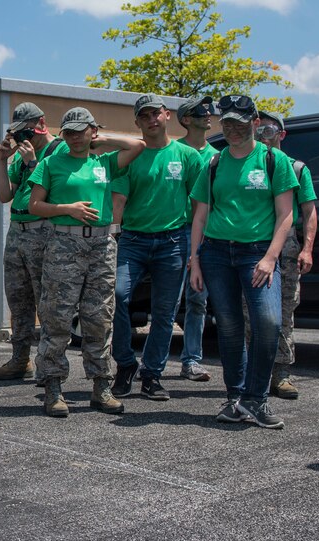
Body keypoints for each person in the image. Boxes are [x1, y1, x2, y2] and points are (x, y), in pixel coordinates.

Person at [188, 96, 297, 429]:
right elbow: (200, 215)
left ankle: (256, 399)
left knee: (268, 321)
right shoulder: (214, 163)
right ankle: (236, 398)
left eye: (239, 122)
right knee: (231, 327)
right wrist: (195, 261)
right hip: (217, 253)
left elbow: (285, 215)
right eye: (227, 123)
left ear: (255, 122)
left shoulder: (274, 160)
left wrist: (269, 257)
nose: (232, 129)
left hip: (257, 253)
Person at [28, 107, 144, 417]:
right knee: (57, 316)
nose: (76, 137)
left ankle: (100, 386)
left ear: (92, 131)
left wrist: (102, 139)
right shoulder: (51, 163)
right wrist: (68, 208)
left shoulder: (104, 161)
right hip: (64, 243)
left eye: (82, 130)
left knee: (99, 317)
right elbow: (34, 205)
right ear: (62, 134)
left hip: (102, 245)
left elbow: (138, 146)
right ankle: (52, 386)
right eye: (69, 132)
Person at [110, 94, 203, 401]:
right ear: (137, 122)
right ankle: (125, 365)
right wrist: (111, 235)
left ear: (167, 116)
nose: (151, 119)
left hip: (173, 242)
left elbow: (200, 203)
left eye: (156, 113)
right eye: (144, 115)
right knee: (118, 297)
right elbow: (118, 200)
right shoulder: (131, 155)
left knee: (164, 313)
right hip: (132, 240)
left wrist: (195, 249)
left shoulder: (187, 156)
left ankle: (152, 375)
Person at [0, 102, 68, 381]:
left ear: (41, 124)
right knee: (18, 299)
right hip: (18, 230)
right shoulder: (22, 156)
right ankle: (20, 359)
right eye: (18, 134)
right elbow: (3, 195)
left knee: (45, 300)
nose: (24, 139)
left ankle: (49, 365)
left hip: (44, 230)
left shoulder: (59, 149)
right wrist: (2, 160)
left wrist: (33, 163)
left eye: (27, 132)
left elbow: (57, 191)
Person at [252, 110, 318, 399]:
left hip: (287, 253)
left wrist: (307, 248)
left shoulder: (297, 168)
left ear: (282, 134)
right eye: (260, 128)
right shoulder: (245, 165)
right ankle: (253, 374)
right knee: (250, 312)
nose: (264, 133)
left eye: (270, 128)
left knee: (284, 313)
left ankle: (281, 375)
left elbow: (309, 211)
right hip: (252, 247)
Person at [175, 96, 220, 382]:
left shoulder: (217, 156)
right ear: (186, 119)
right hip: (174, 233)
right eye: (201, 111)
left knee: (197, 300)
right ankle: (151, 364)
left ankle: (191, 360)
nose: (209, 114)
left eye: (209, 110)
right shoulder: (173, 150)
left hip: (205, 236)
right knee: (166, 303)